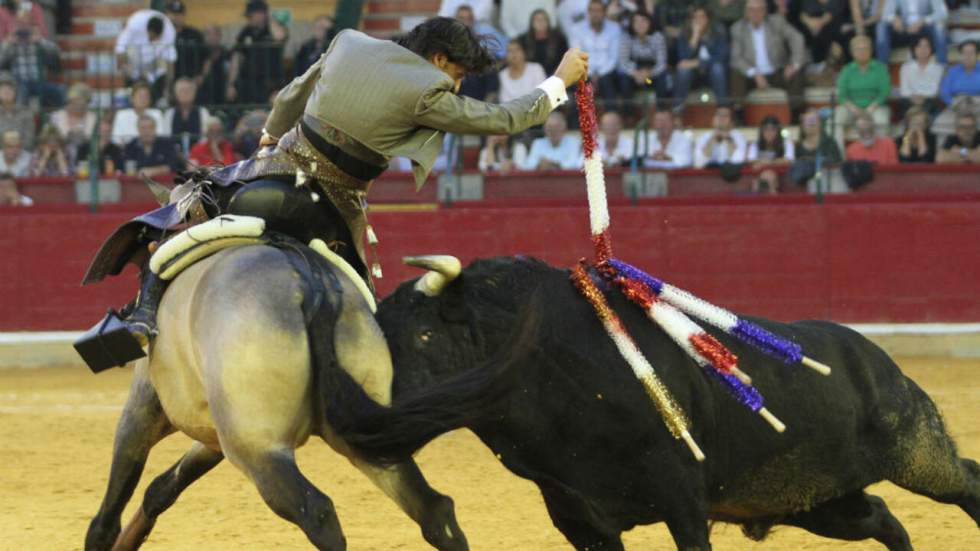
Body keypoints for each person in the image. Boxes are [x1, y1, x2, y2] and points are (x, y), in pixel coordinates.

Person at [83, 17, 588, 350]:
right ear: (439, 61)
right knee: (366, 318)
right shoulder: (429, 88)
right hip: (330, 212)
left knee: (187, 208)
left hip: (271, 173)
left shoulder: (348, 42)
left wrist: (267, 140)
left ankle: (142, 310)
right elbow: (503, 119)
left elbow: (290, 96)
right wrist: (558, 82)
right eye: (459, 74)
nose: (458, 86)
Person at [729, 0, 807, 120]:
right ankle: (739, 115)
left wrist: (794, 64)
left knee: (796, 74)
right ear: (746, 12)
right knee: (736, 74)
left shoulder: (777, 22)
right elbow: (736, 58)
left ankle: (796, 116)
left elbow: (797, 38)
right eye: (751, 10)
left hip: (777, 70)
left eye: (759, 9)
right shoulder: (737, 28)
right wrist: (754, 73)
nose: (755, 13)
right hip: (752, 74)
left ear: (765, 11)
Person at [833, 34, 891, 149]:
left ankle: (880, 159)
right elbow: (842, 95)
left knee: (881, 121)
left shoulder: (880, 68)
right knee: (835, 121)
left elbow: (884, 92)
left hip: (875, 107)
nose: (862, 51)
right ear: (852, 52)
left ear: (871, 51)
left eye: (865, 48)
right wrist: (854, 109)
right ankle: (839, 159)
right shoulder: (847, 70)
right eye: (858, 49)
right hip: (851, 108)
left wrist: (870, 109)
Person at [226, 0, 287, 104]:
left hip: (270, 83)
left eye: (251, 15)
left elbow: (280, 37)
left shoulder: (273, 27)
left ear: (261, 14)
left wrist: (269, 18)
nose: (248, 19)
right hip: (248, 82)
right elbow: (236, 57)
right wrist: (231, 84)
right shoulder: (246, 31)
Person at [569, 0, 625, 110]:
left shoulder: (615, 29)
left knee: (608, 82)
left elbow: (614, 57)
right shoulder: (576, 29)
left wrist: (599, 74)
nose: (595, 14)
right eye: (592, 10)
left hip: (608, 71)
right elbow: (577, 56)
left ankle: (611, 117)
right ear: (588, 12)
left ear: (604, 13)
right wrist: (590, 73)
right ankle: (579, 124)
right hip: (584, 70)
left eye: (598, 10)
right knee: (581, 83)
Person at [0, 9, 62, 108]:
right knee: (23, 90)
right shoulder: (10, 42)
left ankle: (56, 120)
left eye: (26, 23)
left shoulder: (37, 40)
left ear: (31, 25)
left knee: (60, 91)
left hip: (38, 82)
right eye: (20, 23)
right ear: (16, 24)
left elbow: (56, 53)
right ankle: (23, 119)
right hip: (17, 83)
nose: (23, 27)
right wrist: (8, 44)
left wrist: (40, 40)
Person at [114, 8, 176, 102]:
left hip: (154, 67)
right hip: (133, 64)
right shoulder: (135, 23)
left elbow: (170, 62)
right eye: (152, 36)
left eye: (156, 38)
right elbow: (120, 49)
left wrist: (168, 88)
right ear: (147, 30)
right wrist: (127, 71)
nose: (153, 40)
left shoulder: (170, 32)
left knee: (157, 93)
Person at [674, 6, 730, 111]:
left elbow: (722, 56)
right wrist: (695, 36)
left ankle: (723, 108)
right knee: (683, 71)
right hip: (693, 76)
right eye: (695, 17)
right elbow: (684, 58)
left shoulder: (718, 32)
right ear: (691, 20)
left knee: (718, 69)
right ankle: (678, 110)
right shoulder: (684, 33)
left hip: (712, 74)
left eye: (702, 17)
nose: (698, 20)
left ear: (708, 19)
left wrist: (698, 63)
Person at [932, 40, 980, 141]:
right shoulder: (953, 70)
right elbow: (944, 92)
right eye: (964, 53)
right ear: (960, 55)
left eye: (971, 53)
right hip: (957, 104)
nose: (968, 56)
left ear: (977, 55)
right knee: (939, 123)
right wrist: (953, 103)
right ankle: (945, 152)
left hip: (978, 104)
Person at [875, 0, 948, 64]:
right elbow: (885, 14)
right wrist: (894, 19)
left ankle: (941, 67)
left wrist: (923, 21)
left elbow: (943, 13)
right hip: (903, 28)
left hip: (923, 29)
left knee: (939, 27)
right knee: (881, 26)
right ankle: (882, 69)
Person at [618, 11, 669, 101]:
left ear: (650, 22)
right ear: (632, 24)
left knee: (662, 78)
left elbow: (662, 63)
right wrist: (635, 74)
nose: (640, 24)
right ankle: (628, 113)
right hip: (634, 75)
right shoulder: (626, 37)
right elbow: (623, 62)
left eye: (643, 21)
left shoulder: (658, 37)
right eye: (636, 22)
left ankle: (661, 110)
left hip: (651, 76)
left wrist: (649, 73)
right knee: (624, 80)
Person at [898, 35, 944, 117]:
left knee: (932, 103)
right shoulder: (905, 67)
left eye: (926, 46)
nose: (923, 50)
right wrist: (914, 98)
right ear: (914, 49)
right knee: (904, 102)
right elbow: (904, 90)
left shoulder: (938, 68)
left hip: (929, 102)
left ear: (931, 49)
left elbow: (934, 90)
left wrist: (922, 98)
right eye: (919, 46)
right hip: (910, 102)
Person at [50, 83, 97, 163]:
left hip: (85, 157)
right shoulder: (56, 116)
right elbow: (51, 139)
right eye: (75, 102)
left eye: (83, 103)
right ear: (69, 101)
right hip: (61, 157)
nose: (79, 106)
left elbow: (92, 140)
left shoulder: (93, 117)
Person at [747, 115, 794, 192]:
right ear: (762, 132)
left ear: (778, 131)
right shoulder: (755, 145)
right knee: (757, 182)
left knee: (770, 177)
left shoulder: (786, 144)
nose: (769, 133)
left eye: (773, 129)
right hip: (758, 178)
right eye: (766, 130)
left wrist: (768, 163)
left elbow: (788, 160)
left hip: (781, 180)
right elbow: (750, 160)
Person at [112, 81, 166, 145]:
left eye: (146, 96)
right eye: (140, 96)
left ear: (150, 99)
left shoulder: (157, 114)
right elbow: (116, 139)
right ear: (132, 99)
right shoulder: (121, 115)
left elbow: (161, 137)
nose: (143, 99)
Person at [517, 8, 568, 75]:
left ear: (548, 22)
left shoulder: (559, 38)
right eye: (537, 20)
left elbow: (566, 59)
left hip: (555, 75)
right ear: (531, 23)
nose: (540, 22)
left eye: (543, 19)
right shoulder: (523, 40)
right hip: (531, 76)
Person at [165, 1, 205, 83]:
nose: (174, 18)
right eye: (172, 14)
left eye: (178, 14)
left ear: (183, 16)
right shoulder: (162, 35)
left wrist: (201, 76)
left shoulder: (195, 34)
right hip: (168, 81)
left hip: (191, 81)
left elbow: (206, 56)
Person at [163, 77, 210, 146]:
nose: (185, 94)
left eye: (188, 91)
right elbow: (166, 136)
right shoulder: (169, 113)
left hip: (198, 152)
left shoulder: (203, 112)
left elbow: (205, 137)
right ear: (176, 94)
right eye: (181, 91)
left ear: (194, 93)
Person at [195, 25, 230, 105]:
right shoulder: (199, 53)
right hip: (204, 93)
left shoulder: (226, 53)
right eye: (208, 34)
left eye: (215, 34)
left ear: (220, 36)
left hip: (222, 90)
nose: (211, 37)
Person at [0, 72, 33, 148]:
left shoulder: (26, 112)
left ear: (16, 92)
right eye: (2, 88)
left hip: (22, 153)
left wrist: (14, 149)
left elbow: (29, 141)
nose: (6, 91)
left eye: (10, 88)